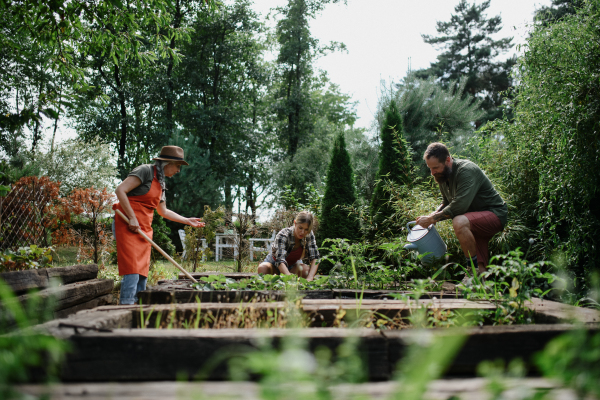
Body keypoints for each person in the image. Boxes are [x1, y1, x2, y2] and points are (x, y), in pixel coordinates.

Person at [113, 145, 205, 305]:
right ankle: (126, 304)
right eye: (177, 166)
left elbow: (163, 211)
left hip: (144, 228)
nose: (178, 171)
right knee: (133, 267)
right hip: (128, 223)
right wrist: (132, 218)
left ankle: (140, 304)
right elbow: (120, 190)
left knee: (142, 270)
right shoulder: (145, 171)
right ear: (167, 163)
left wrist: (186, 220)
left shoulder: (161, 182)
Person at [415, 142, 507, 274]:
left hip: (495, 214)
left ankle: (470, 271)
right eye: (430, 168)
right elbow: (447, 202)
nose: (432, 173)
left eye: (435, 168)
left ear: (447, 160)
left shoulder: (466, 170)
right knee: (480, 275)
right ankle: (477, 279)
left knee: (459, 221)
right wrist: (435, 213)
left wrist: (431, 219)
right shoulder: (442, 175)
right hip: (473, 217)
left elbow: (459, 206)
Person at [257, 211, 320, 281]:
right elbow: (279, 261)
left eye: (306, 229)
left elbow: (315, 257)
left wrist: (310, 277)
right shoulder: (283, 235)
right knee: (262, 268)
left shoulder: (308, 234)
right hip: (274, 265)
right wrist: (291, 280)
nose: (302, 232)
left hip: (292, 267)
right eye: (300, 228)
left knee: (306, 270)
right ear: (295, 223)